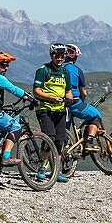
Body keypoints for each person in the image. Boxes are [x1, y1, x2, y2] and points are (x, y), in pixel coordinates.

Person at [33, 44, 73, 182]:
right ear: (52, 55)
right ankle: (42, 168)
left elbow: (68, 91)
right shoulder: (43, 70)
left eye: (63, 56)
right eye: (57, 55)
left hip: (61, 110)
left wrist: (70, 99)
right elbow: (36, 90)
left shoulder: (65, 72)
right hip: (45, 109)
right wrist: (51, 98)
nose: (60, 58)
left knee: (59, 141)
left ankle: (56, 170)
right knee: (49, 137)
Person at [63, 44, 102, 152]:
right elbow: (84, 92)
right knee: (96, 115)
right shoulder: (77, 70)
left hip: (61, 104)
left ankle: (65, 154)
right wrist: (81, 101)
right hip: (75, 103)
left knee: (64, 131)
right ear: (75, 57)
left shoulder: (58, 69)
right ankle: (89, 141)